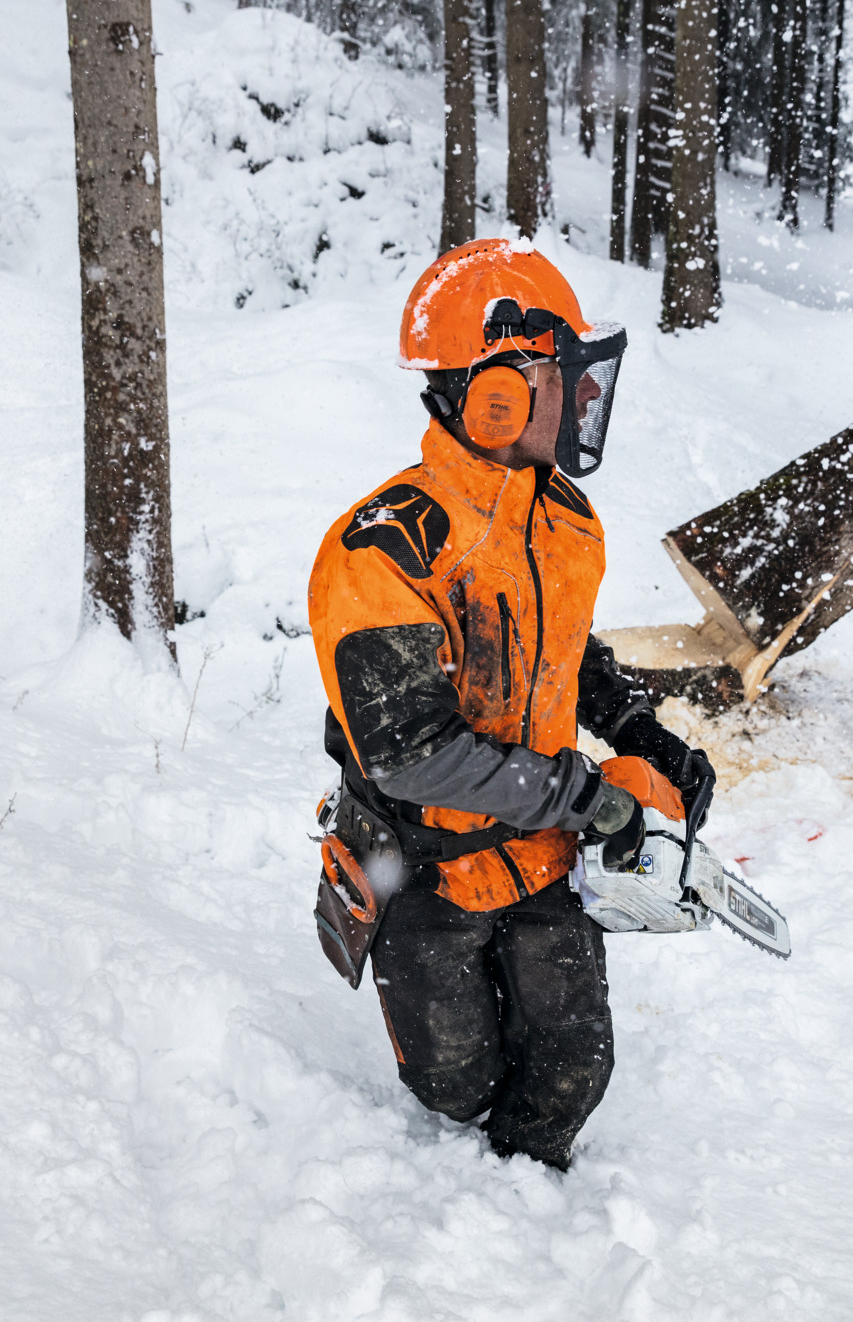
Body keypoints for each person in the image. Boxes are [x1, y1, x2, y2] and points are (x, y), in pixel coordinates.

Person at [307, 240, 716, 1169]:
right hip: (421, 864)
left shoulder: (561, 516)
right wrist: (592, 799)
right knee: (454, 1084)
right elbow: (410, 749)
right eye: (562, 375)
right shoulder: (386, 549)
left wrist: (638, 730)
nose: (582, 398)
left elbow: (566, 646)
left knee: (572, 1069)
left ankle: (536, 1227)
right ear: (498, 396)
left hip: (535, 853)